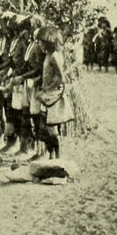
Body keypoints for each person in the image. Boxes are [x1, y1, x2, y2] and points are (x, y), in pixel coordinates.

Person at [36, 27, 73, 159]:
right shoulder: (48, 55)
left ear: (48, 42)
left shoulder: (55, 56)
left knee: (51, 129)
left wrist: (47, 89)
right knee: (44, 128)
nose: (39, 44)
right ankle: (51, 155)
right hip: (48, 95)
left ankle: (57, 156)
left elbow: (61, 78)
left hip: (53, 95)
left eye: (41, 42)